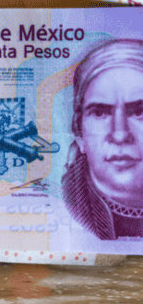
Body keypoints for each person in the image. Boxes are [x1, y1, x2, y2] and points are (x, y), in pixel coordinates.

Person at [63, 39, 143, 240]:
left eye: (140, 111)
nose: (120, 134)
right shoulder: (67, 208)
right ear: (79, 133)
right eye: (99, 113)